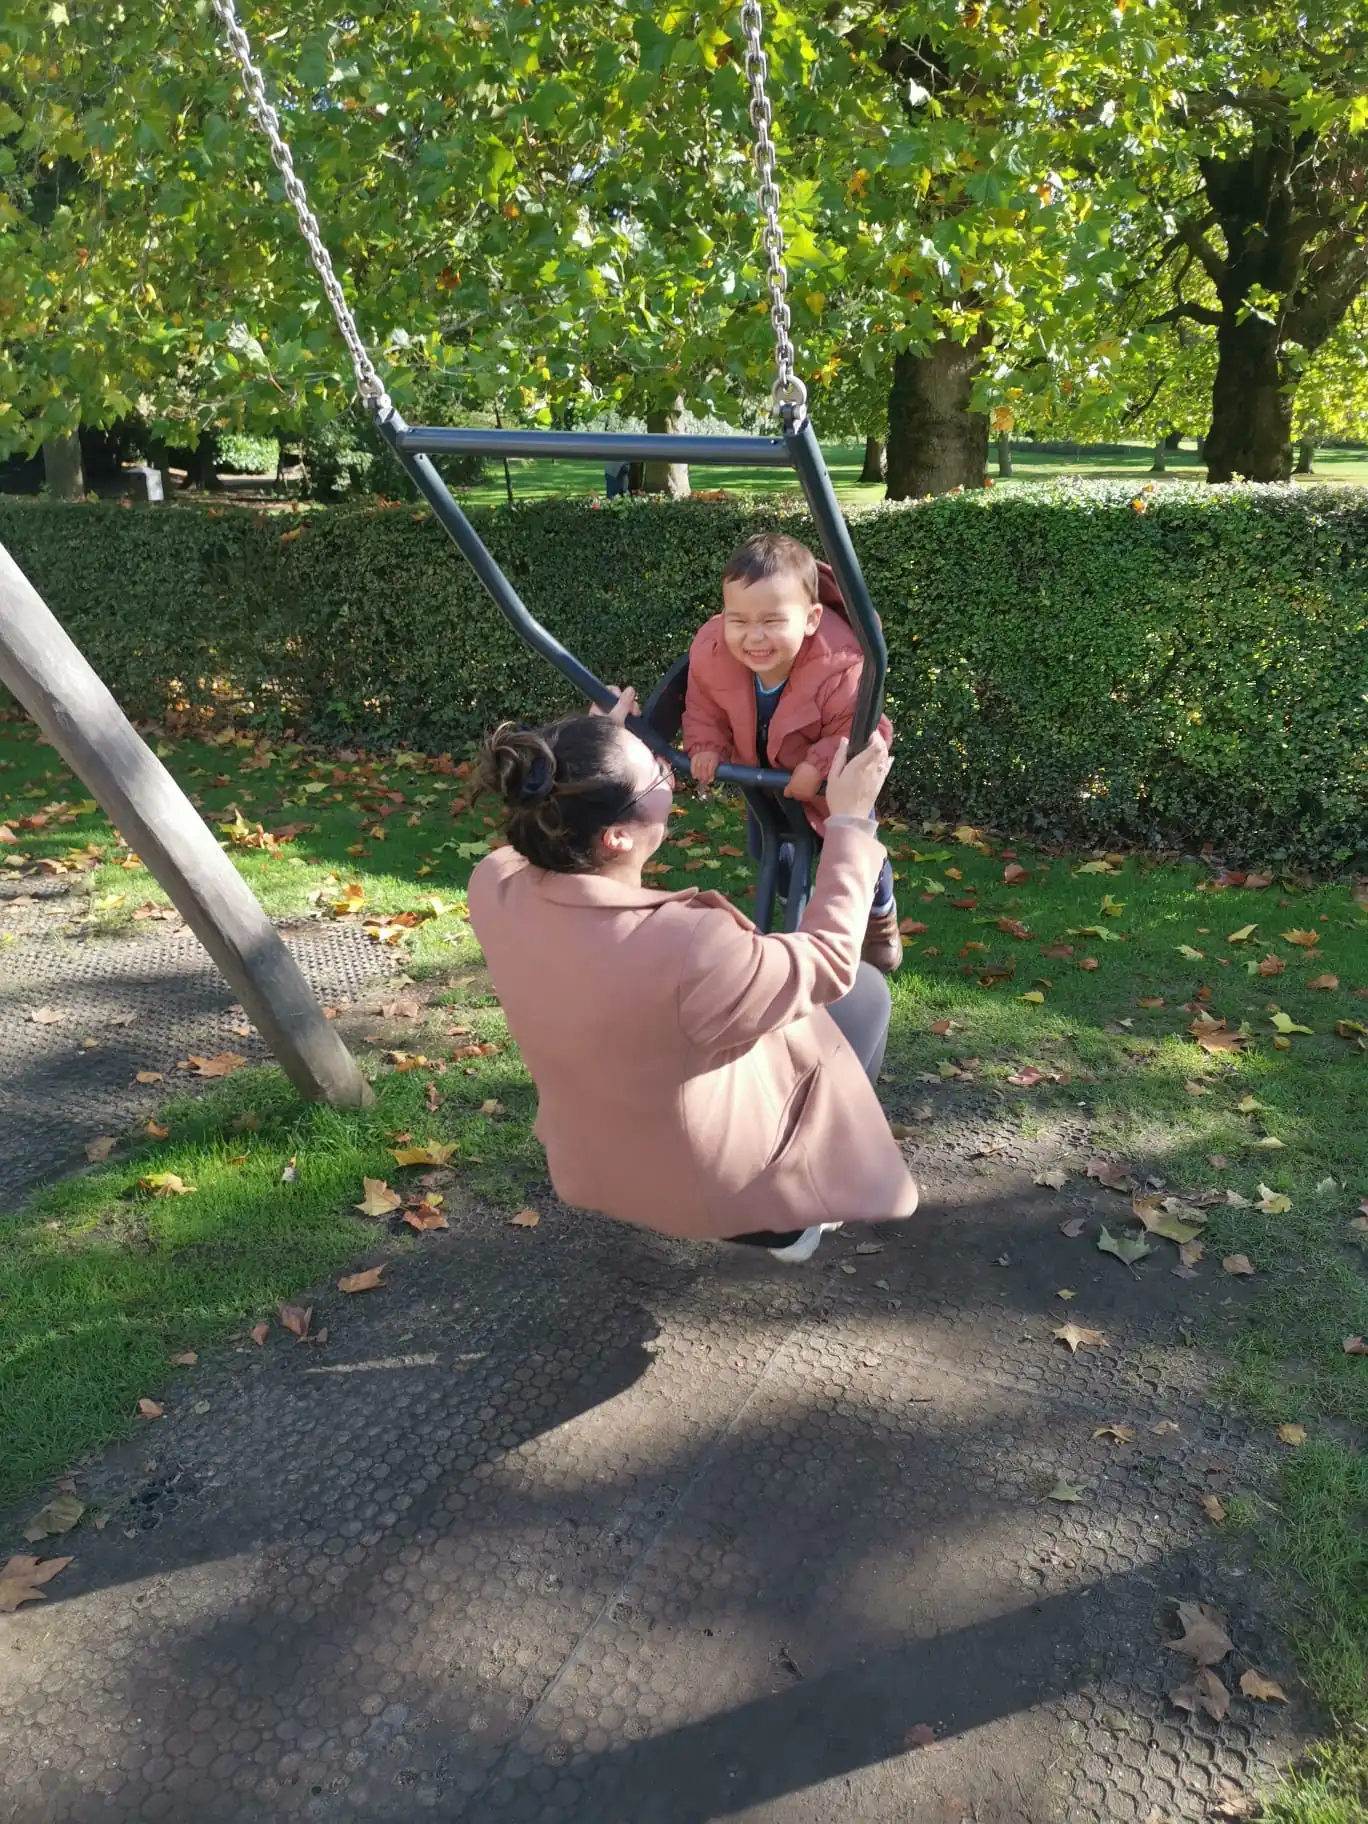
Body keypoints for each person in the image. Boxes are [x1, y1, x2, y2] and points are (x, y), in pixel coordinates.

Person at [468, 690, 918, 1261]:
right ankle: (791, 1218)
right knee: (865, 992)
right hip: (717, 1196)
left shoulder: (494, 887)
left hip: (596, 1166)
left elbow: (530, 840)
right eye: (656, 777)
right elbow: (827, 960)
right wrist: (851, 822)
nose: (669, 773)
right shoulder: (687, 945)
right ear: (617, 836)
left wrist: (591, 747)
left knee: (765, 1016)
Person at [680, 531, 903, 973]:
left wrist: (817, 765)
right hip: (765, 786)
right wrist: (705, 746)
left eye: (772, 621)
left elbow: (863, 729)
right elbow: (702, 705)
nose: (753, 638)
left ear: (811, 618)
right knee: (772, 854)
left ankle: (880, 917)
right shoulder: (712, 652)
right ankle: (792, 920)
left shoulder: (840, 662)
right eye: (738, 620)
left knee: (858, 854)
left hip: (833, 788)